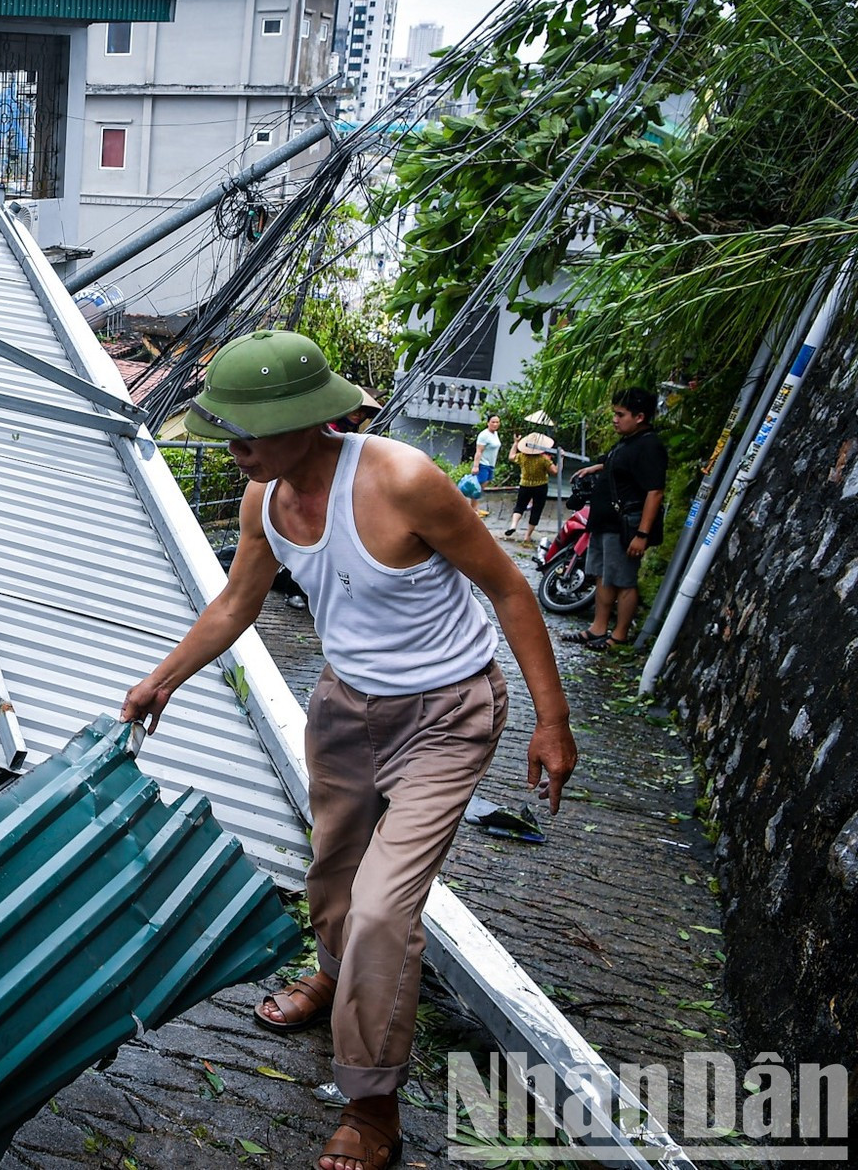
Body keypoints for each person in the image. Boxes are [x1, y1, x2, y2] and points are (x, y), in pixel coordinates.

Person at [120, 331, 575, 1170]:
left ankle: (372, 1105)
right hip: (345, 705)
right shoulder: (264, 499)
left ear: (307, 421)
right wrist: (164, 679)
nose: (233, 447)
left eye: (249, 430)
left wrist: (552, 721)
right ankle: (338, 975)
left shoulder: (402, 480)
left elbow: (508, 586)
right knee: (331, 876)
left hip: (448, 710)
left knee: (381, 907)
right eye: (227, 429)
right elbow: (236, 603)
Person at [562, 388, 666, 649]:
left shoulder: (649, 445)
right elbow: (619, 467)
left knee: (623, 580)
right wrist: (598, 467)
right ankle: (598, 628)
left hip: (625, 526)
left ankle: (618, 636)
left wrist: (641, 534)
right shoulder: (627, 441)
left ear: (640, 416)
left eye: (621, 414)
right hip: (605, 522)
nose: (615, 419)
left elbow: (655, 492)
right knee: (603, 576)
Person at [506, 433, 555, 546]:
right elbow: (555, 471)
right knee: (536, 510)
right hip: (540, 486)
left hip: (525, 485)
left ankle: (513, 525)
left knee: (520, 506)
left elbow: (511, 456)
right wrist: (561, 460)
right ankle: (527, 536)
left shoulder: (522, 457)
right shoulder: (543, 459)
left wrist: (515, 443)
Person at [471, 414, 502, 516]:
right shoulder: (484, 435)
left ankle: (476, 508)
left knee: (483, 486)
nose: (495, 424)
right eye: (493, 422)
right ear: (488, 423)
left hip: (491, 464)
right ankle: (473, 509)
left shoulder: (495, 434)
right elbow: (479, 451)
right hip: (483, 464)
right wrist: (476, 466)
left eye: (497, 422)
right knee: (478, 487)